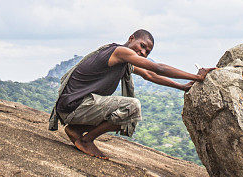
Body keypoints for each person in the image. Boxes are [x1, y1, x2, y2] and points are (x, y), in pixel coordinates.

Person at [51, 29, 214, 159]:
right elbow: (157, 68)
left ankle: (75, 130)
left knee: (126, 112)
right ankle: (85, 140)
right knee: (132, 107)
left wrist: (183, 86)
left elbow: (150, 75)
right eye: (142, 46)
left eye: (147, 52)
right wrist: (197, 77)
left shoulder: (124, 60)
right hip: (74, 106)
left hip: (72, 107)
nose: (143, 52)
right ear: (131, 38)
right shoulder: (119, 52)